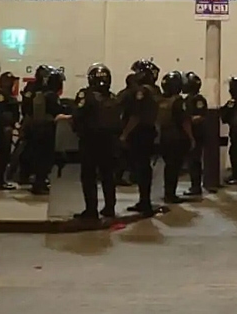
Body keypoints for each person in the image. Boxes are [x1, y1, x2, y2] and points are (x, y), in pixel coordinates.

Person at [72, 64, 121, 219]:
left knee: (89, 176)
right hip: (110, 142)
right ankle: (109, 207)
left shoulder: (85, 95)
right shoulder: (113, 97)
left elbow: (77, 116)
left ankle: (91, 210)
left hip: (90, 141)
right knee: (108, 176)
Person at [120, 61, 161, 216]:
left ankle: (145, 202)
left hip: (140, 133)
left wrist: (125, 133)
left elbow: (136, 115)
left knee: (141, 167)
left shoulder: (143, 92)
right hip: (149, 132)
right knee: (144, 167)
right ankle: (145, 200)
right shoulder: (155, 90)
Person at [156, 71, 194, 204]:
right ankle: (170, 194)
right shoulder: (178, 101)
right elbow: (184, 121)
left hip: (163, 137)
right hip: (176, 137)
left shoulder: (161, 101)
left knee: (168, 166)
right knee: (174, 167)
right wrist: (191, 138)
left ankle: (168, 192)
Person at [181, 72, 209, 197]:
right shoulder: (187, 99)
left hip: (196, 133)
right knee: (191, 161)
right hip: (189, 132)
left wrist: (188, 120)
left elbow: (201, 116)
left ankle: (196, 186)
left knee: (194, 160)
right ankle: (194, 185)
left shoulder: (198, 99)